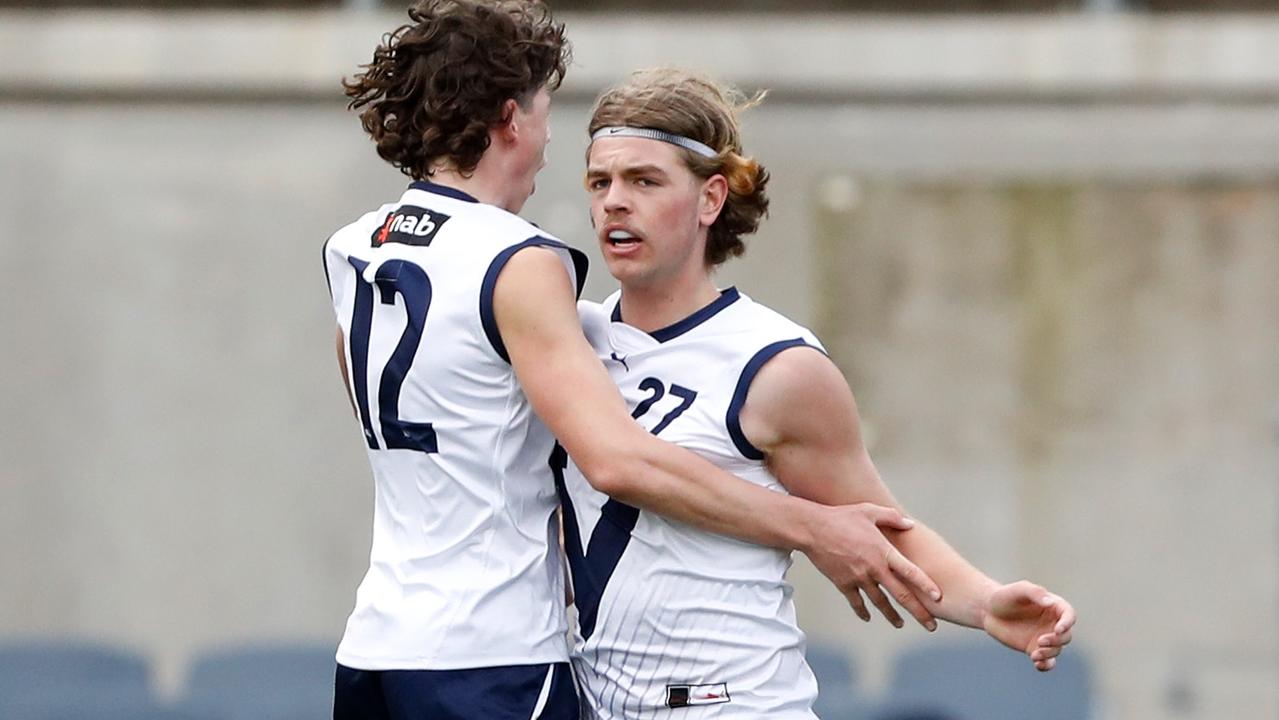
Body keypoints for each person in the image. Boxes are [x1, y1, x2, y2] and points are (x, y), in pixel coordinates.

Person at [323, 3, 943, 719]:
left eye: (642, 182)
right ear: (510, 119)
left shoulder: (356, 247)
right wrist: (811, 527)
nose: (550, 146)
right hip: (488, 653)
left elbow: (384, 390)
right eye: (546, 116)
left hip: (375, 648)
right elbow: (615, 462)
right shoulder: (517, 260)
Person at [559, 68, 1077, 718]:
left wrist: (982, 602)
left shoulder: (775, 364)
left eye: (644, 180)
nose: (613, 202)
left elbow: (874, 525)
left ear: (710, 198)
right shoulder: (566, 341)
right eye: (599, 181)